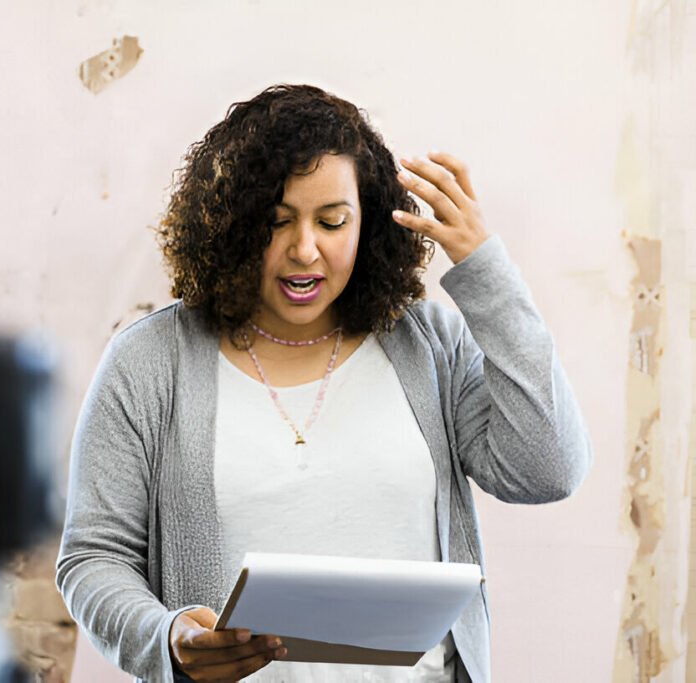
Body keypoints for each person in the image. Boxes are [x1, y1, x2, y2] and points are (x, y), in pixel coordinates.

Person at [55, 84, 591, 683]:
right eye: (276, 222)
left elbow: (547, 468)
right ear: (231, 226)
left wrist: (486, 272)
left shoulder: (429, 344)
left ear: (368, 226)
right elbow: (93, 559)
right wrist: (168, 637)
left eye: (332, 221)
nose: (304, 249)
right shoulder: (149, 361)